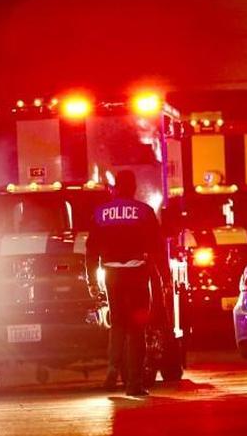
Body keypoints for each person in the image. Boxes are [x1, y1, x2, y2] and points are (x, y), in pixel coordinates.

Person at [86, 170, 168, 397]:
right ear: (133, 188)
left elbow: (91, 249)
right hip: (137, 275)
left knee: (118, 324)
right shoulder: (144, 211)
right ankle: (134, 383)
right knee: (136, 328)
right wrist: (165, 278)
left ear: (116, 188)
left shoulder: (101, 213)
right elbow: (157, 248)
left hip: (112, 275)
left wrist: (92, 280)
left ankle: (112, 370)